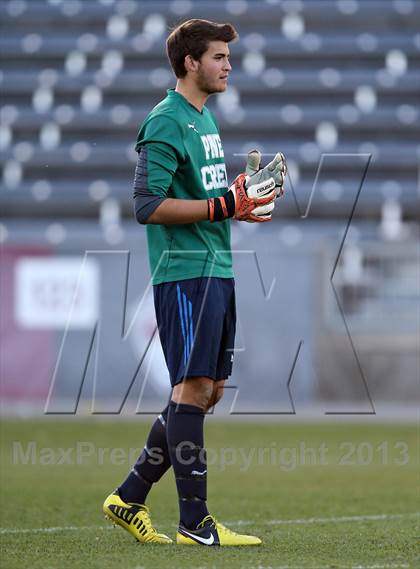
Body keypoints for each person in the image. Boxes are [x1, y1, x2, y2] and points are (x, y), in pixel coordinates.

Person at [103, 18, 286, 547]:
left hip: (217, 268)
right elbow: (147, 205)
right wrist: (223, 204)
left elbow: (208, 199)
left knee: (207, 392)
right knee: (191, 389)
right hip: (184, 274)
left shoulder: (204, 120)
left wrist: (237, 206)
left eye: (228, 57)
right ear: (190, 63)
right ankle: (195, 524)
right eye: (219, 57)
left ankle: (130, 496)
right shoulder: (165, 120)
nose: (228, 65)